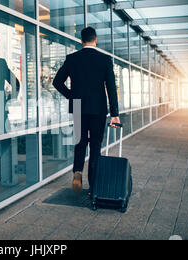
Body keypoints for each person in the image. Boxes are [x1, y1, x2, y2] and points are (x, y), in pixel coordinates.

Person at [52, 27, 121, 195]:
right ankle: (93, 185)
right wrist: (115, 114)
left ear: (81, 41)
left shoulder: (72, 59)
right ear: (95, 40)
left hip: (78, 107)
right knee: (95, 145)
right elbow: (111, 88)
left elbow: (57, 82)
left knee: (80, 142)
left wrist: (72, 96)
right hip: (98, 108)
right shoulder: (104, 59)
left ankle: (77, 172)